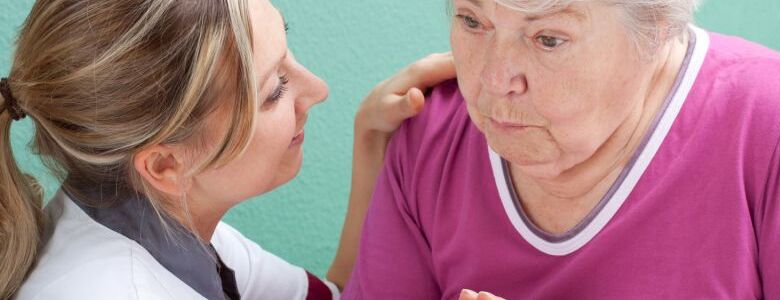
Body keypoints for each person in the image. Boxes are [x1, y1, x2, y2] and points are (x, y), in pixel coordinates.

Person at [344, 0, 780, 299]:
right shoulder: (431, 132)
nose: (495, 81)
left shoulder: (779, 124)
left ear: (658, 25)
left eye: (548, 38)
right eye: (472, 21)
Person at [0, 0, 454, 299]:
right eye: (275, 88)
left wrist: (371, 139)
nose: (317, 90)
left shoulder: (162, 223)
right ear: (165, 163)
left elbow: (336, 295)